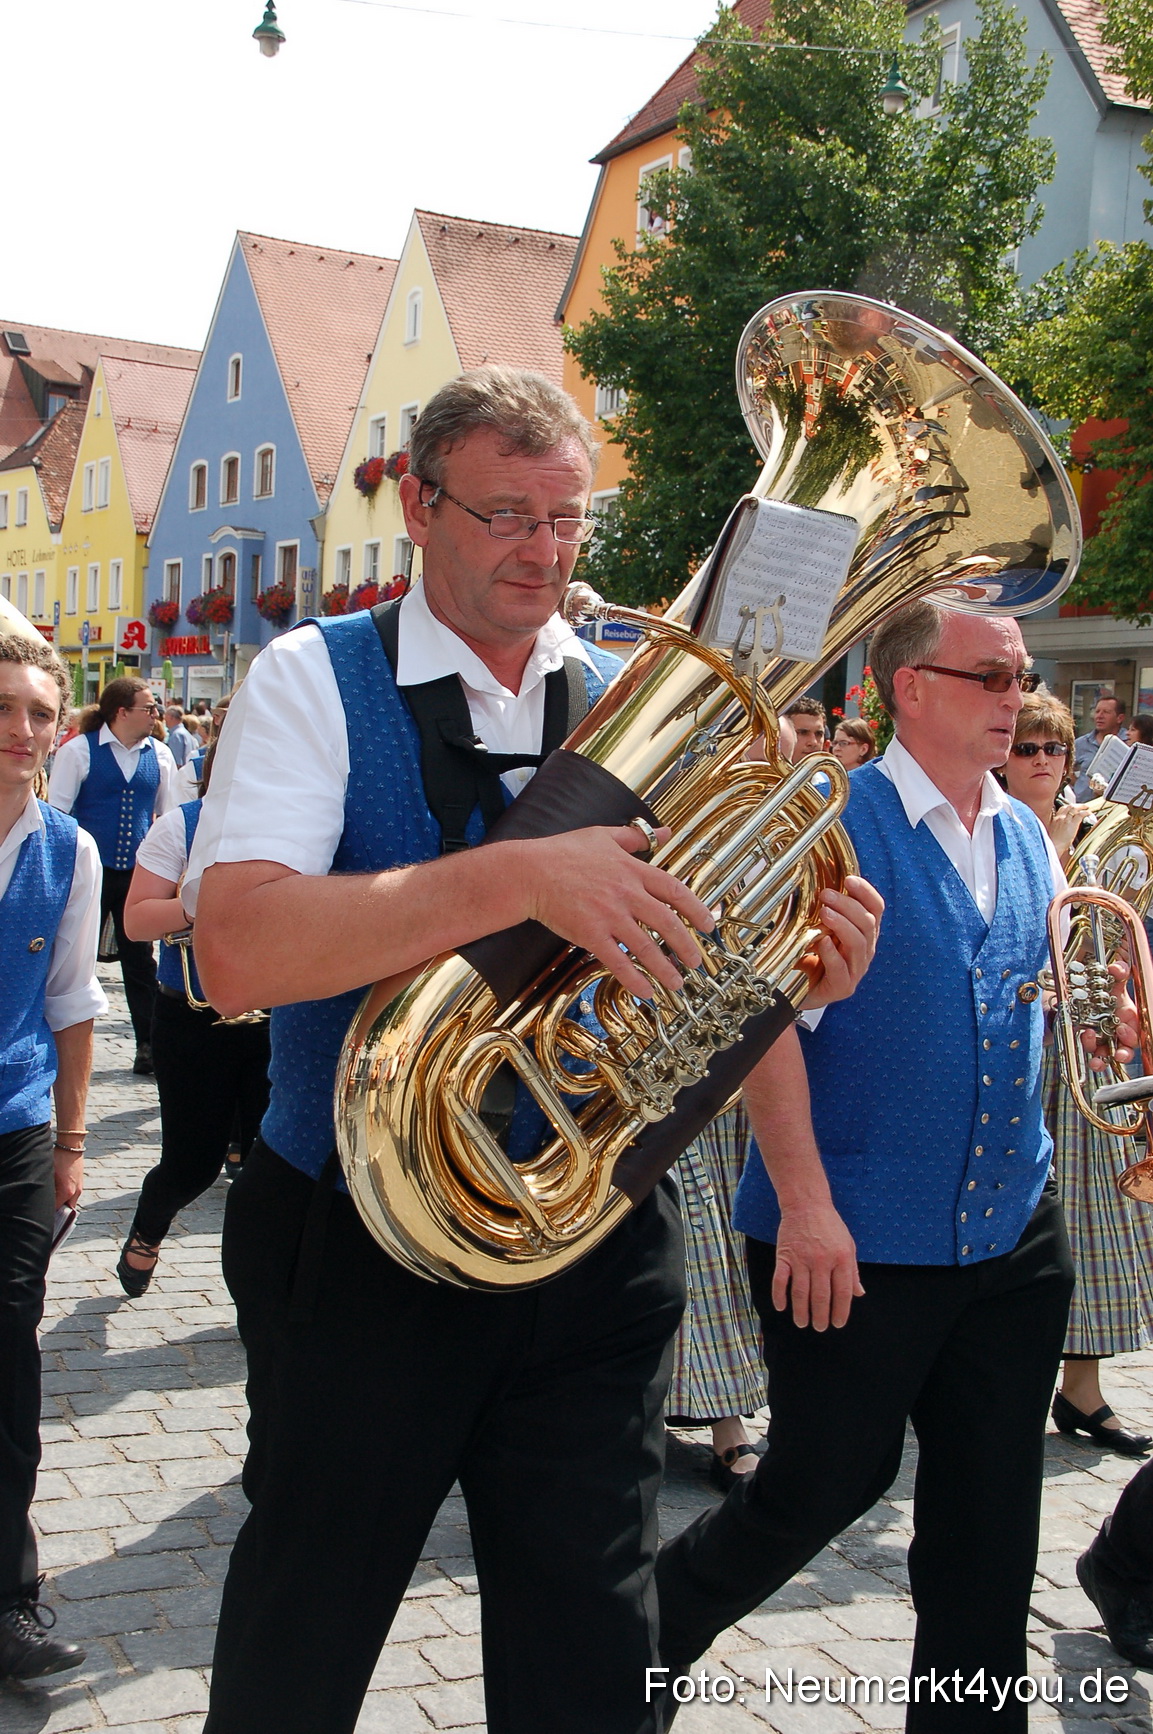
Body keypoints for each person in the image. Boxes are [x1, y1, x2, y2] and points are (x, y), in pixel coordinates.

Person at [184, 366, 882, 1734]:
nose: (545, 552)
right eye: (507, 514)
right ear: (420, 501)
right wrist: (520, 881)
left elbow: (678, 992)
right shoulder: (312, 678)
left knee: (589, 1654)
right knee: (302, 1634)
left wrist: (792, 980)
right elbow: (238, 953)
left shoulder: (642, 693)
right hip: (356, 1232)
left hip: (592, 1244)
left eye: (567, 520)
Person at [654, 599, 1138, 1733]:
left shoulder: (1023, 831)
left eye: (1019, 678)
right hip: (852, 1235)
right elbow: (758, 1021)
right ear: (908, 686)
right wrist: (809, 1204)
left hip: (1012, 1236)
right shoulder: (825, 826)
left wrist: (1103, 1015)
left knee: (989, 1517)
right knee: (820, 1488)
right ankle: (655, 1626)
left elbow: (1020, 997)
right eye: (991, 676)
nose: (1015, 698)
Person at [1003, 692, 1153, 1456]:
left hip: (1084, 1052)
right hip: (1011, 1051)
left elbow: (1115, 933)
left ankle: (1082, 1388)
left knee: (1099, 1217)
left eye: (1052, 750)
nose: (1039, 762)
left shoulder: (1096, 828)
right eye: (1026, 748)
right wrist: (1053, 855)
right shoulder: (989, 830)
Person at [0, 633, 106, 1682]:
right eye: (2, 709)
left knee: (9, 1365)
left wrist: (74, 1142)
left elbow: (73, 1005)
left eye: (37, 712)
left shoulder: (67, 851)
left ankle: (8, 1604)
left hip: (16, 1136)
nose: (21, 731)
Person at [114, 743, 271, 1297]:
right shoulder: (181, 826)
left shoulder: (298, 826)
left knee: (268, 1168)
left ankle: (255, 1295)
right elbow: (134, 921)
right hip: (192, 1018)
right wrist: (195, 905)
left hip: (276, 1020)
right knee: (191, 1163)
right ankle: (146, 1234)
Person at [47, 678, 176, 1075]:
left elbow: (169, 818)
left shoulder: (161, 754)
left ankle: (149, 1045)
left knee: (140, 962)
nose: (155, 715)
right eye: (148, 708)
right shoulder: (79, 751)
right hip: (88, 869)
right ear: (122, 712)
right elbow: (59, 813)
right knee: (71, 956)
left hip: (136, 872)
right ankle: (54, 1039)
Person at [1073, 691, 1126, 799]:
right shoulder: (1081, 743)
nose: (1099, 716)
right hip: (1084, 807)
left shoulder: (1129, 743)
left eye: (1106, 712)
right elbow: (1067, 768)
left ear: (1119, 718)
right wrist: (1079, 786)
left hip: (1115, 810)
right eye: (1097, 711)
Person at [164, 704, 198, 768]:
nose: (164, 719)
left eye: (165, 716)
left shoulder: (177, 735)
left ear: (171, 717)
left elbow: (176, 763)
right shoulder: (186, 733)